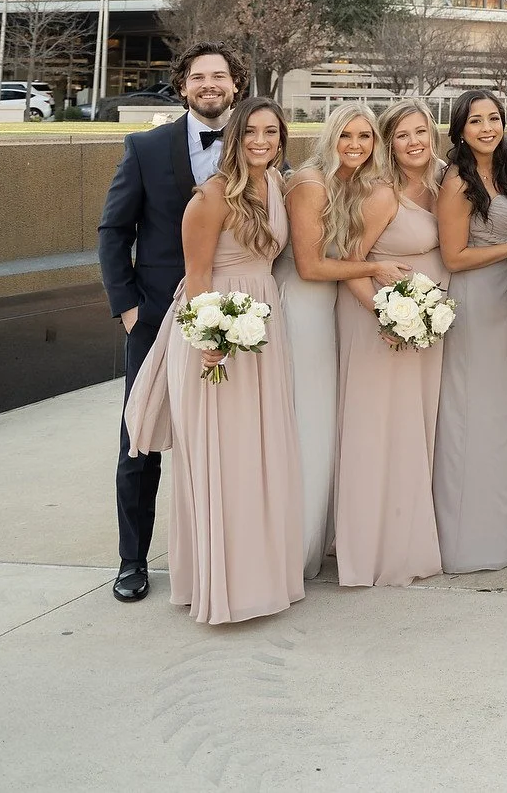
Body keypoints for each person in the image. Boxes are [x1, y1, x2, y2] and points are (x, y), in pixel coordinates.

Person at [122, 99, 303, 625]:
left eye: (272, 132)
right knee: (223, 458)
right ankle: (221, 585)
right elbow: (196, 275)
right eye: (252, 132)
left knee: (259, 453)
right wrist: (208, 335)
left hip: (263, 328)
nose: (262, 141)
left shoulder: (275, 186)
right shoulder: (212, 196)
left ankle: (263, 576)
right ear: (235, 137)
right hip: (217, 329)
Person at [97, 40, 245, 605]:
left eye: (221, 77)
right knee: (142, 438)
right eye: (200, 77)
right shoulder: (144, 147)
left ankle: (222, 552)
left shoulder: (257, 145)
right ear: (183, 85)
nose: (211, 86)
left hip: (237, 318)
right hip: (157, 316)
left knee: (227, 438)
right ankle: (132, 560)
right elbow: (115, 232)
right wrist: (128, 306)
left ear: (235, 85)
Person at [278, 104, 411, 579]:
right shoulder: (311, 184)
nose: (356, 145)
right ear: (330, 137)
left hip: (327, 308)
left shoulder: (353, 184)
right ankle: (290, 551)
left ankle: (316, 537)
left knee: (322, 423)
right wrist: (375, 269)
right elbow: (311, 265)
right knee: (308, 423)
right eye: (346, 136)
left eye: (366, 137)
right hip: (301, 307)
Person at [334, 99, 448, 587]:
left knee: (413, 430)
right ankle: (373, 549)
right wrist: (386, 316)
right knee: (379, 430)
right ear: (388, 143)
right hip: (384, 323)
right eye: (402, 135)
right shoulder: (383, 194)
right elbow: (350, 263)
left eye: (420, 131)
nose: (414, 142)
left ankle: (408, 534)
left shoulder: (443, 182)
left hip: (427, 322)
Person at [434, 90, 507, 574]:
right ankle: (466, 538)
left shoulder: (502, 171)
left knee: (499, 408)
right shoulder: (457, 181)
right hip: (473, 299)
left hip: (505, 297)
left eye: (494, 118)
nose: (488, 127)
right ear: (461, 129)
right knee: (472, 408)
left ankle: (499, 525)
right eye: (476, 121)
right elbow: (454, 257)